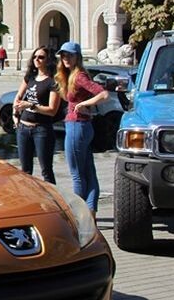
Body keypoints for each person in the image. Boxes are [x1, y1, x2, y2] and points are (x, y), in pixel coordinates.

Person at [56, 41, 109, 216]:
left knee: (78, 175)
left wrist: (84, 104)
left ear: (77, 57)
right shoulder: (71, 75)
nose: (65, 58)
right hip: (81, 126)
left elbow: (103, 93)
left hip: (77, 126)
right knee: (88, 172)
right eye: (63, 55)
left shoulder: (79, 76)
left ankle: (79, 216)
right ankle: (91, 211)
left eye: (69, 55)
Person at [12, 46, 60, 184]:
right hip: (23, 129)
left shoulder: (53, 81)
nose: (36, 60)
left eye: (41, 57)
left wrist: (31, 106)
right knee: (25, 171)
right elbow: (18, 97)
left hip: (42, 129)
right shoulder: (30, 77)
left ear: (48, 60)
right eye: (35, 57)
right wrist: (15, 115)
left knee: (46, 170)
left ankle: (53, 201)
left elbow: (52, 110)